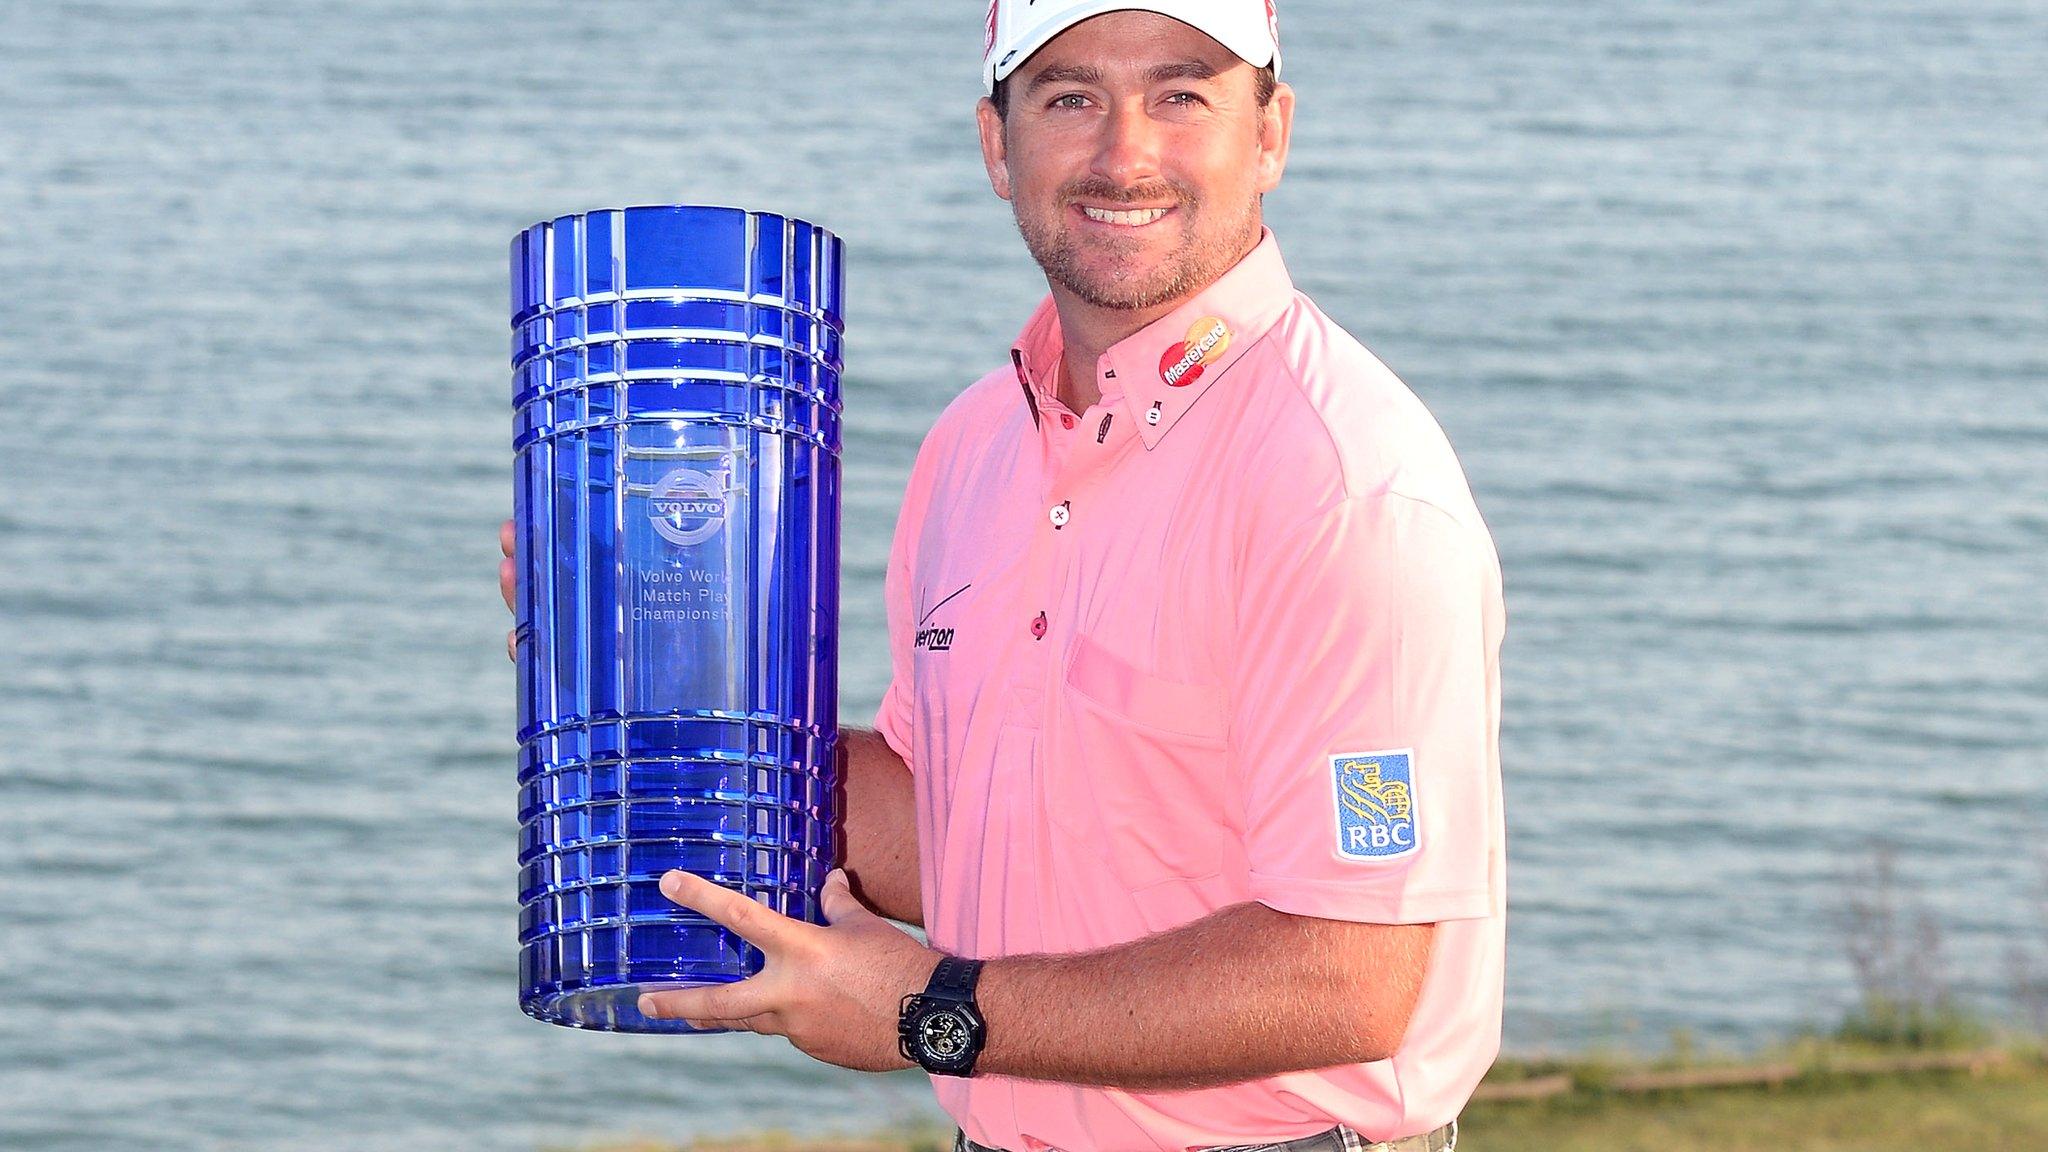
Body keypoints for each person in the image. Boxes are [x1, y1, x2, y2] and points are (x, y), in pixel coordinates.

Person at [499, 3, 1504, 1150]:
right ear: (996, 143)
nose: (1126, 152)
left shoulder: (1342, 486)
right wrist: (627, 642)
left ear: (1269, 133)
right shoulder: (974, 446)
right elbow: (946, 845)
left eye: (1182, 96)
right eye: (1070, 97)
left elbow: (1350, 976)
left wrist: (931, 1012)